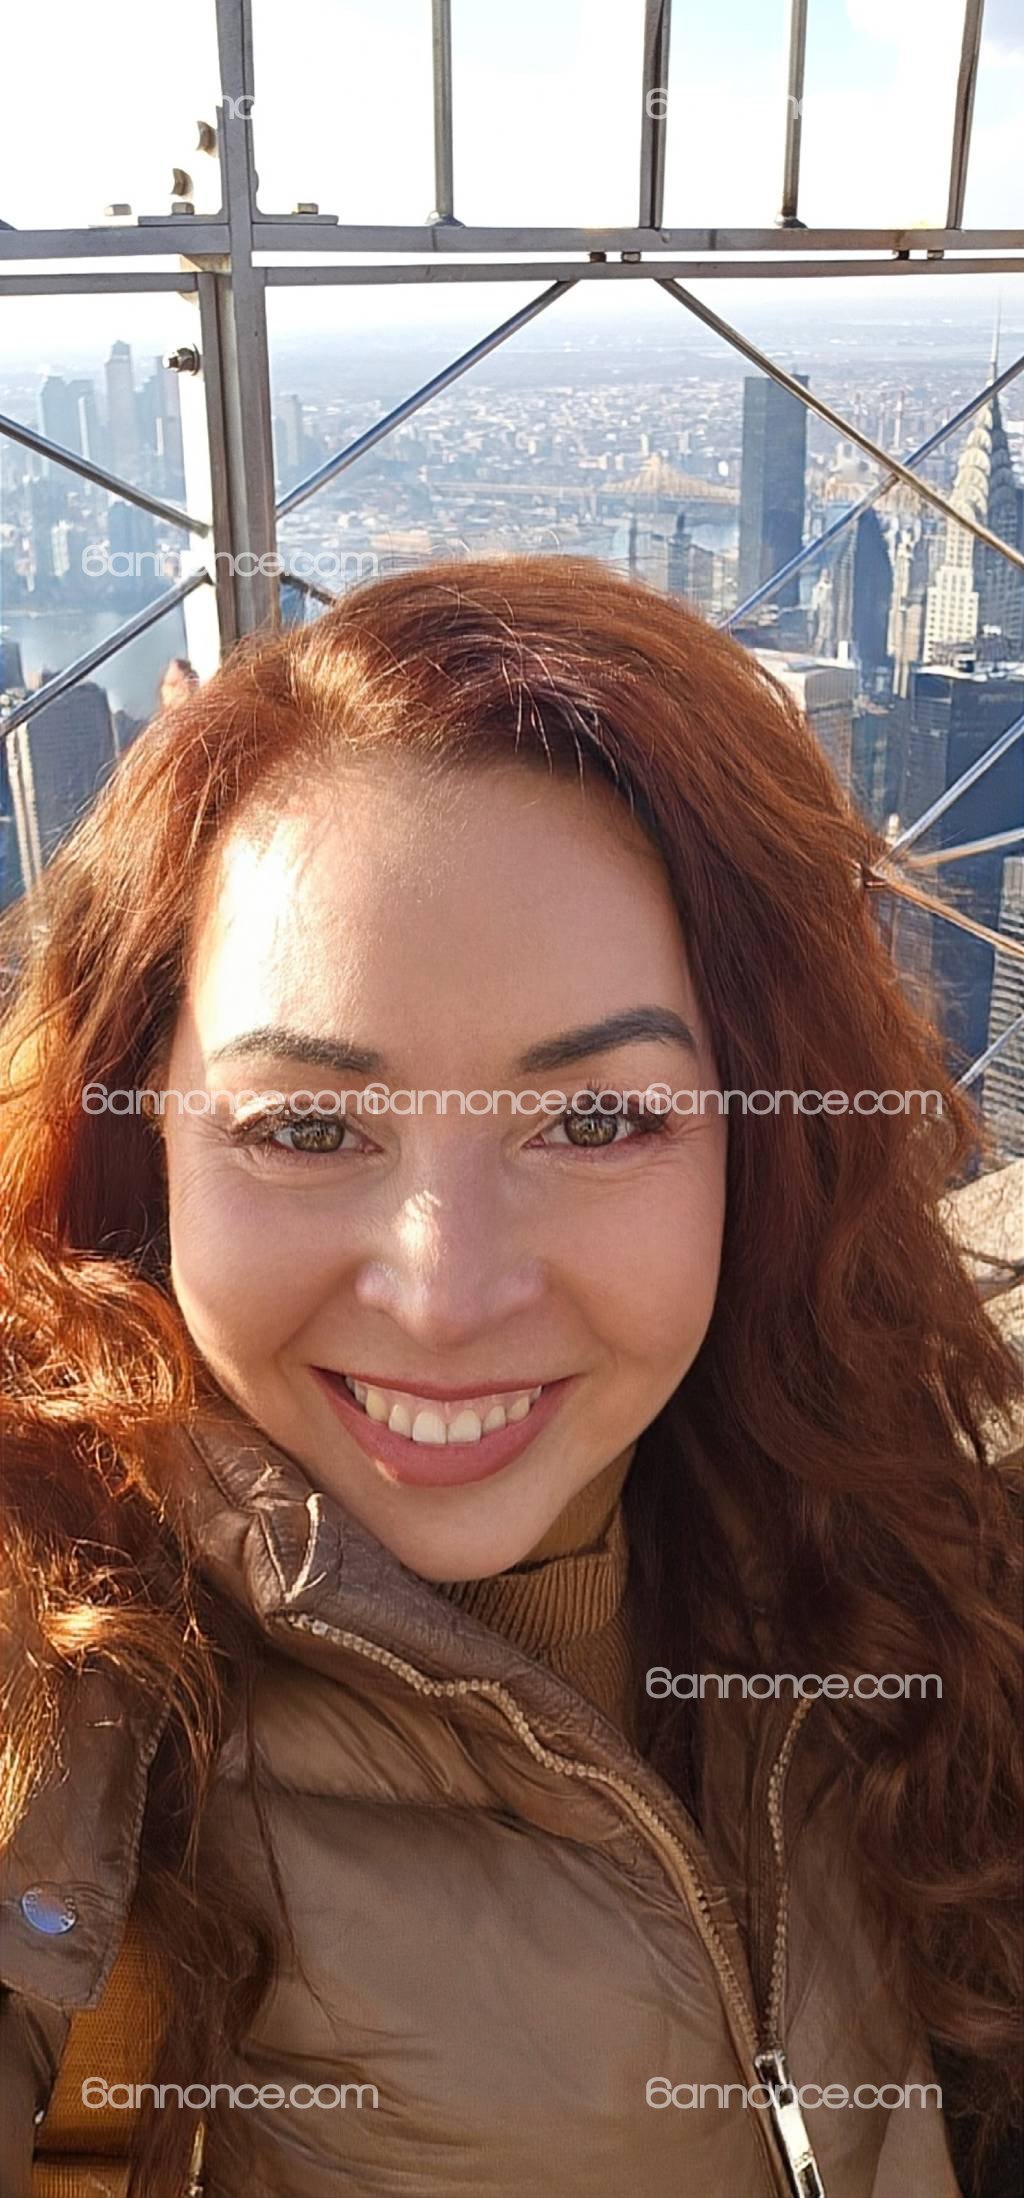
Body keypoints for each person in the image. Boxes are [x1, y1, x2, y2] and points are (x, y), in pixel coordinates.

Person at [1, 557, 1020, 2198]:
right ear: (147, 1144)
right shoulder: (52, 1672)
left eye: (597, 1118)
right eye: (309, 1125)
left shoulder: (896, 1549)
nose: (446, 1293)